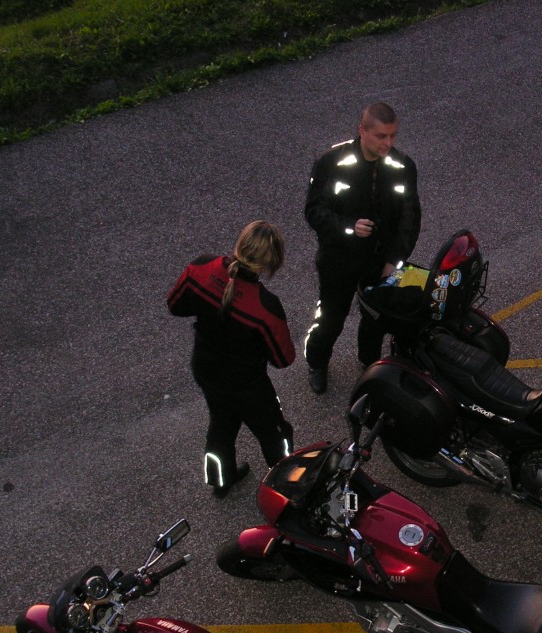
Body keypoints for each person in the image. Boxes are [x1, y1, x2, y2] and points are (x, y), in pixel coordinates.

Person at [168, 220, 295, 498]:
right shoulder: (266, 306)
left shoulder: (201, 267)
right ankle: (287, 485)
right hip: (247, 385)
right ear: (270, 262)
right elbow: (283, 358)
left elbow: (175, 305)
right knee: (275, 433)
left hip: (206, 369)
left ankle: (221, 480)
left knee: (222, 424)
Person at [302, 102, 421, 394]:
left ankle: (369, 362)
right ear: (362, 131)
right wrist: (348, 226)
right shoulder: (332, 162)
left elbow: (410, 218)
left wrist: (395, 260)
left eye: (392, 136)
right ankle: (317, 362)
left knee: (375, 320)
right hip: (338, 260)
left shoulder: (402, 166)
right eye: (381, 136)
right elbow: (314, 211)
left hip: (380, 262)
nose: (388, 143)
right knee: (330, 319)